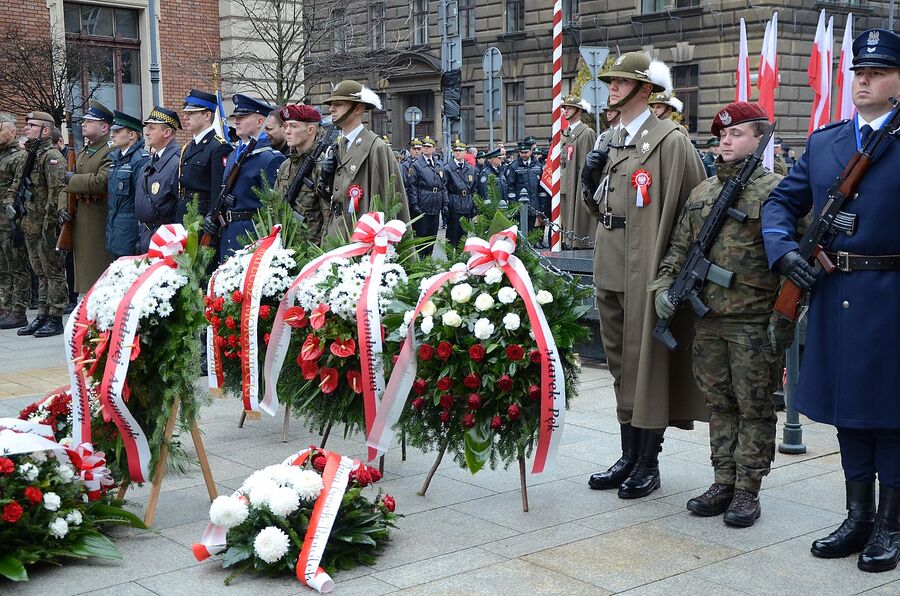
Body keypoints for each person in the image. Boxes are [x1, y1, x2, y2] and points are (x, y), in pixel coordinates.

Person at [762, 28, 900, 572]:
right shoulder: (826, 142)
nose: (863, 80)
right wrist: (783, 252)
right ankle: (857, 517)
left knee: (890, 416)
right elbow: (780, 204)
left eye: (878, 72)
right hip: (837, 295)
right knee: (849, 413)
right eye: (858, 72)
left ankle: (890, 524)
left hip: (891, 298)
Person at [582, 52, 707, 498]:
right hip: (613, 261)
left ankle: (647, 461)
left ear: (645, 90)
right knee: (619, 360)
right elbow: (604, 206)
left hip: (649, 266)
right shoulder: (613, 138)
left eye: (621, 82)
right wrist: (587, 186)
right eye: (611, 81)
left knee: (646, 364)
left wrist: (673, 273)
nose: (611, 88)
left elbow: (692, 213)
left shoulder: (669, 140)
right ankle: (628, 453)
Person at [653, 101, 784, 527]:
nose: (726, 140)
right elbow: (678, 250)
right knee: (719, 404)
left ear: (760, 139)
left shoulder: (777, 192)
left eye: (738, 134)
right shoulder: (703, 193)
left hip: (752, 321)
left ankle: (748, 490)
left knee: (754, 406)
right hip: (707, 320)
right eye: (722, 135)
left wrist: (784, 316)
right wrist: (664, 289)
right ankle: (722, 480)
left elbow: (794, 257)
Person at [317, 80, 409, 240]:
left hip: (362, 238)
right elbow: (333, 198)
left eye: (338, 104)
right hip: (336, 234)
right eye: (331, 104)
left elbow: (387, 201)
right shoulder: (337, 147)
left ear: (358, 108)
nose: (331, 109)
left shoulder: (376, 147)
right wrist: (325, 178)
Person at [12, 111, 66, 337]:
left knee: (53, 272)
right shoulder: (30, 155)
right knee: (40, 271)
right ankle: (42, 314)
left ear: (45, 130)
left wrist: (49, 224)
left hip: (46, 225)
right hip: (30, 223)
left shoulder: (52, 156)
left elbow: (56, 191)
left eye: (31, 125)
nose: (26, 128)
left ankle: (55, 317)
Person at [214, 94, 285, 260]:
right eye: (236, 117)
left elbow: (273, 208)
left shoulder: (270, 158)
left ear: (260, 122)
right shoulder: (234, 155)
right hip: (229, 231)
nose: (236, 121)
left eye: (243, 117)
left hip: (252, 235)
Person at [58, 99, 114, 294]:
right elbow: (66, 186)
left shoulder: (110, 150)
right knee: (83, 279)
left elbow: (102, 181)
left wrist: (73, 180)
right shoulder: (84, 151)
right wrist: (62, 207)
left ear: (104, 126)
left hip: (97, 220)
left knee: (97, 276)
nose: (83, 124)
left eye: (89, 121)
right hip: (80, 219)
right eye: (84, 121)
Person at [274, 103, 326, 244]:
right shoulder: (286, 166)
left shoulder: (321, 167)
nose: (287, 131)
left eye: (294, 126)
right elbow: (274, 206)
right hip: (285, 246)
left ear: (310, 129)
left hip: (312, 250)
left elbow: (329, 217)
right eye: (285, 126)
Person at [179, 89, 233, 223]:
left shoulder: (219, 147)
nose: (185, 118)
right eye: (185, 113)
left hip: (201, 217)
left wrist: (212, 218)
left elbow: (217, 191)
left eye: (191, 113)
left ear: (207, 115)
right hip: (183, 213)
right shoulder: (188, 147)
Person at [135, 107, 182, 252]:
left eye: (152, 128)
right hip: (147, 234)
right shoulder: (153, 161)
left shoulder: (176, 162)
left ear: (167, 132)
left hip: (165, 237)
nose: (147, 132)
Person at [106, 111, 149, 258]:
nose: (112, 135)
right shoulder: (116, 159)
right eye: (113, 131)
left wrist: (139, 236)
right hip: (116, 229)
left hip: (130, 232)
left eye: (118, 131)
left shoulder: (140, 159)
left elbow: (142, 200)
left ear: (132, 135)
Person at [0, 112, 29, 330]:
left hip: (11, 221)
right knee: (3, 267)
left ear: (12, 131)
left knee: (16, 266)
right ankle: (5, 306)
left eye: (1, 129)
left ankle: (18, 311)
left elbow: (18, 188)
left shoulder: (19, 157)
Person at [560, 94, 598, 249]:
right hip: (565, 182)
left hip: (577, 183)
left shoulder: (586, 133)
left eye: (569, 108)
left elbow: (587, 164)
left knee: (578, 217)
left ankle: (578, 241)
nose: (565, 111)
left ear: (578, 111)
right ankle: (566, 240)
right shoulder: (564, 134)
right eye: (565, 108)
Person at [405, 136, 446, 253]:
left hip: (435, 204)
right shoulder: (416, 165)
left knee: (432, 236)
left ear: (434, 149)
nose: (426, 149)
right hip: (422, 204)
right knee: (421, 237)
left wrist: (445, 203)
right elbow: (412, 186)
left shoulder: (438, 164)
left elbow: (442, 185)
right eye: (424, 147)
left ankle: (429, 260)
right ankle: (421, 261)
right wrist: (414, 204)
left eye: (429, 147)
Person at [501, 139, 543, 232]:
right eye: (521, 152)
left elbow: (540, 188)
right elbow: (510, 187)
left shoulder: (537, 165)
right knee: (520, 230)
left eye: (526, 152)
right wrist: (513, 205)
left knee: (531, 230)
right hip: (519, 205)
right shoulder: (514, 166)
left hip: (533, 204)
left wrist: (541, 206)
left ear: (531, 151)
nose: (523, 155)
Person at [443, 140, 478, 247]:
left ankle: (460, 258)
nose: (458, 153)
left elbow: (474, 189)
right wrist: (446, 204)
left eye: (460, 150)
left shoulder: (471, 169)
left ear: (465, 152)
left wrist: (474, 205)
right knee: (452, 235)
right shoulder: (447, 168)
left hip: (467, 204)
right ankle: (450, 259)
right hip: (454, 203)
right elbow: (444, 188)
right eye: (456, 150)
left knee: (463, 235)